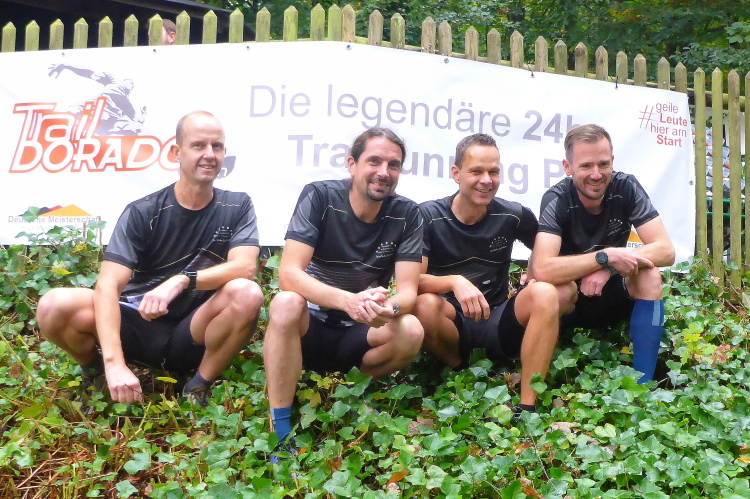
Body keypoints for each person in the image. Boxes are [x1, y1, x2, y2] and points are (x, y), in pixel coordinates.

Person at [37, 111, 264, 405]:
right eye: (198, 145)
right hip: (137, 323)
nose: (209, 154)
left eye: (217, 146)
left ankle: (198, 385)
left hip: (195, 329)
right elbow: (108, 286)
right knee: (53, 305)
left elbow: (245, 267)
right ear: (176, 152)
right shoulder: (144, 211)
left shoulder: (237, 205)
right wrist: (114, 362)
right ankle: (96, 370)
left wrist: (182, 280)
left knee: (247, 293)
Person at [262, 127, 424, 456]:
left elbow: (408, 292)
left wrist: (388, 308)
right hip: (310, 326)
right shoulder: (320, 196)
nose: (383, 172)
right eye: (374, 161)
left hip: (360, 330)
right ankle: (280, 426)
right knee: (286, 303)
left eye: (393, 165)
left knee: (410, 329)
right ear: (352, 164)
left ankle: (351, 388)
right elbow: (288, 275)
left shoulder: (407, 213)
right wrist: (348, 301)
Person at [412, 133, 577, 418]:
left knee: (546, 292)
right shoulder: (427, 215)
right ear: (456, 173)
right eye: (476, 171)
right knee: (423, 304)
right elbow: (412, 280)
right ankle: (461, 368)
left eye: (494, 172)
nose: (486, 180)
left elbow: (549, 252)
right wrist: (455, 281)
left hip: (498, 321)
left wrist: (534, 272)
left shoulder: (513, 214)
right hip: (450, 323)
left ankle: (527, 406)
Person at [532, 124, 675, 384]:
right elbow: (542, 269)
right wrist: (604, 257)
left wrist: (608, 268)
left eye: (603, 164)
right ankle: (547, 370)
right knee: (556, 291)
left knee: (650, 276)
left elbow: (665, 250)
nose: (596, 174)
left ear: (612, 161)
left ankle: (643, 387)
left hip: (610, 291)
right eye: (586, 166)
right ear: (567, 167)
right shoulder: (556, 198)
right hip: (570, 300)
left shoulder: (626, 186)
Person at [48, 63, 147, 136]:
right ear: (124, 81)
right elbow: (89, 73)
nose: (132, 86)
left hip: (107, 122)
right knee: (63, 113)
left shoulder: (127, 104)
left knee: (136, 130)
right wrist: (67, 66)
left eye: (133, 86)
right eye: (131, 83)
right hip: (89, 109)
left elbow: (138, 120)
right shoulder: (114, 81)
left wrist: (144, 114)